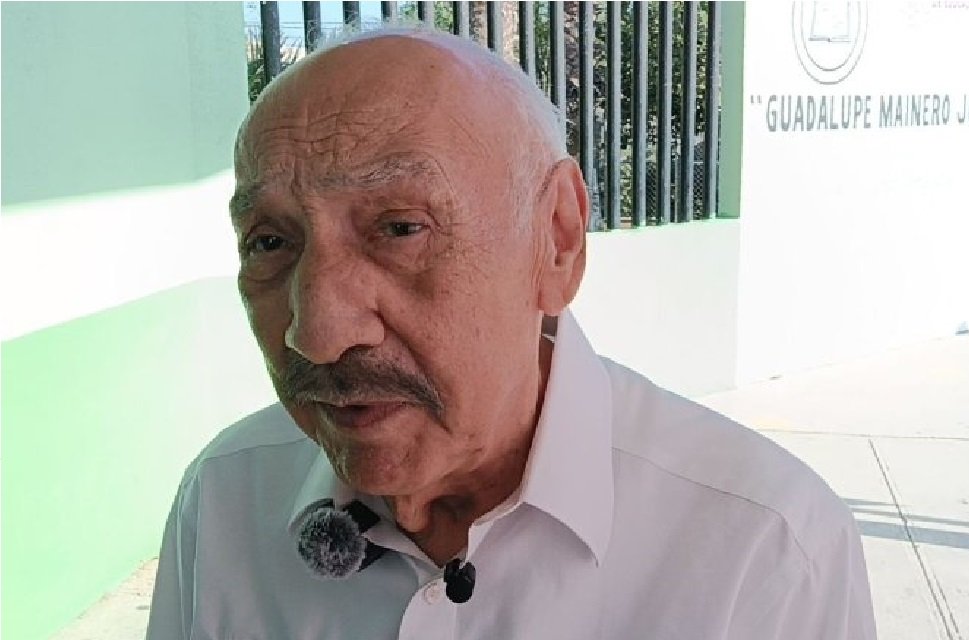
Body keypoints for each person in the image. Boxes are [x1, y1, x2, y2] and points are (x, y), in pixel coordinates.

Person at [146, 26, 876, 640]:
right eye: (270, 242)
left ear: (556, 239)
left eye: (400, 229)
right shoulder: (222, 503)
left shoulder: (766, 552)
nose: (318, 334)